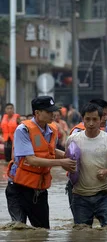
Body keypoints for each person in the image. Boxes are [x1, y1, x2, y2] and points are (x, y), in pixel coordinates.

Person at [5, 97, 77, 228]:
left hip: (39, 190)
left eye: (53, 111)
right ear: (37, 113)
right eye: (49, 112)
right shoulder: (23, 130)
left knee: (43, 232)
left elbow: (49, 151)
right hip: (18, 189)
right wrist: (62, 162)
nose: (53, 114)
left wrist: (69, 156)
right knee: (18, 229)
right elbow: (31, 159)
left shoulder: (52, 130)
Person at [66, 103, 107, 227]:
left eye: (95, 119)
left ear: (101, 119)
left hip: (103, 195)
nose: (91, 123)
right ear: (82, 119)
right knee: (81, 236)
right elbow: (67, 163)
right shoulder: (72, 139)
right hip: (79, 196)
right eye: (87, 119)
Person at [65, 98, 107, 214]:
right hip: (79, 187)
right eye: (103, 114)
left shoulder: (106, 135)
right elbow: (69, 158)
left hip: (101, 187)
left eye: (106, 114)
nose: (106, 118)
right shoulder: (77, 133)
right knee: (81, 227)